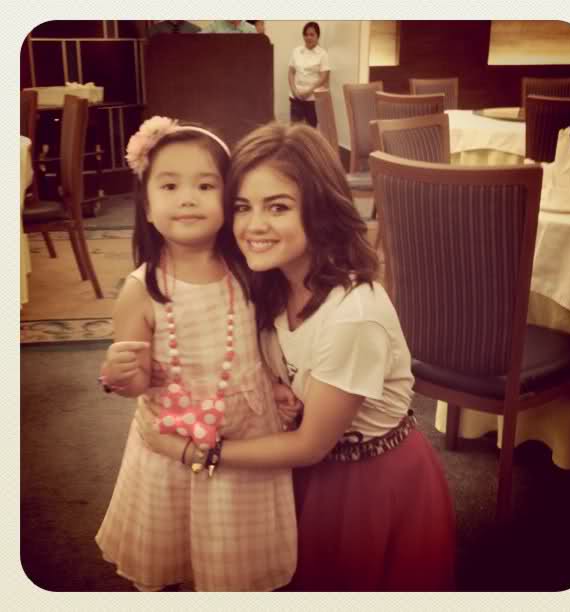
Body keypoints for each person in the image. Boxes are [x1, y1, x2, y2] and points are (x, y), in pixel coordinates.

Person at [135, 122, 456, 591]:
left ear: (320, 211)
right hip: (297, 471)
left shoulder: (353, 316)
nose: (254, 226)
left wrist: (193, 453)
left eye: (278, 207)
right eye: (242, 207)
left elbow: (310, 445)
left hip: (368, 482)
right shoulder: (267, 282)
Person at [95, 116, 297, 592]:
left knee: (236, 553)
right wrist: (118, 375)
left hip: (248, 435)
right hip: (172, 440)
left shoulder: (250, 269)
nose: (187, 198)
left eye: (205, 186)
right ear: (147, 207)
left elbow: (264, 342)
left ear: (228, 202)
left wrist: (276, 384)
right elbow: (137, 381)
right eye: (169, 186)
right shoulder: (141, 289)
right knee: (176, 542)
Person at [288, 22, 330, 128]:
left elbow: (324, 77)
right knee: (294, 130)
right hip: (296, 97)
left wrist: (308, 91)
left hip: (312, 99)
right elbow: (291, 72)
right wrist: (294, 90)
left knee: (310, 130)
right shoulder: (296, 51)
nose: (308, 37)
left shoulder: (323, 54)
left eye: (312, 35)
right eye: (306, 34)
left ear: (317, 36)